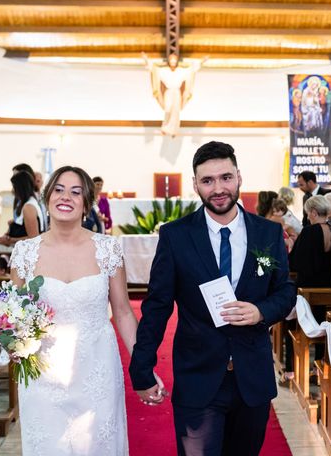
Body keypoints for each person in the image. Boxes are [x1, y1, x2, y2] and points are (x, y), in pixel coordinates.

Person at [129, 141, 295, 455]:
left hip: (252, 378)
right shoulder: (176, 236)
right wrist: (141, 368)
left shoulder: (267, 234)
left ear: (239, 177)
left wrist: (260, 311)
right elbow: (157, 306)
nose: (218, 188)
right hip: (199, 378)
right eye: (207, 181)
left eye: (225, 178)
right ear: (195, 185)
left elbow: (285, 292)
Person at [10, 166, 148, 455]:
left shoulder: (108, 249)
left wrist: (143, 365)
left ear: (86, 204)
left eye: (76, 192)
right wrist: (7, 338)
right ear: (47, 197)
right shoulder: (24, 253)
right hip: (43, 373)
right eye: (59, 189)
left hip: (97, 370)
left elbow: (122, 311)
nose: (66, 197)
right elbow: (15, 315)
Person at [289, 195, 331, 364]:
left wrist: (292, 246)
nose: (308, 216)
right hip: (324, 286)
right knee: (321, 325)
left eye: (308, 213)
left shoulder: (309, 231)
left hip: (305, 286)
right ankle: (319, 364)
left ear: (314, 212)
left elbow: (295, 262)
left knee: (294, 325)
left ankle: (291, 369)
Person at [142, 52, 208, 137]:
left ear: (177, 61)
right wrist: (146, 59)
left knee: (176, 111)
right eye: (171, 59)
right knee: (168, 110)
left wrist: (203, 61)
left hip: (177, 92)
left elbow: (192, 69)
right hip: (168, 92)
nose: (173, 61)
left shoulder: (181, 71)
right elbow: (154, 69)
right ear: (168, 61)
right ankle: (165, 128)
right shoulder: (164, 71)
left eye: (174, 59)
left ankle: (174, 130)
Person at [0, 171, 45, 246]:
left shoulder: (29, 207)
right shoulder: (28, 204)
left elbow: (34, 238)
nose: (12, 191)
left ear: (20, 188)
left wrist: (9, 240)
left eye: (14, 187)